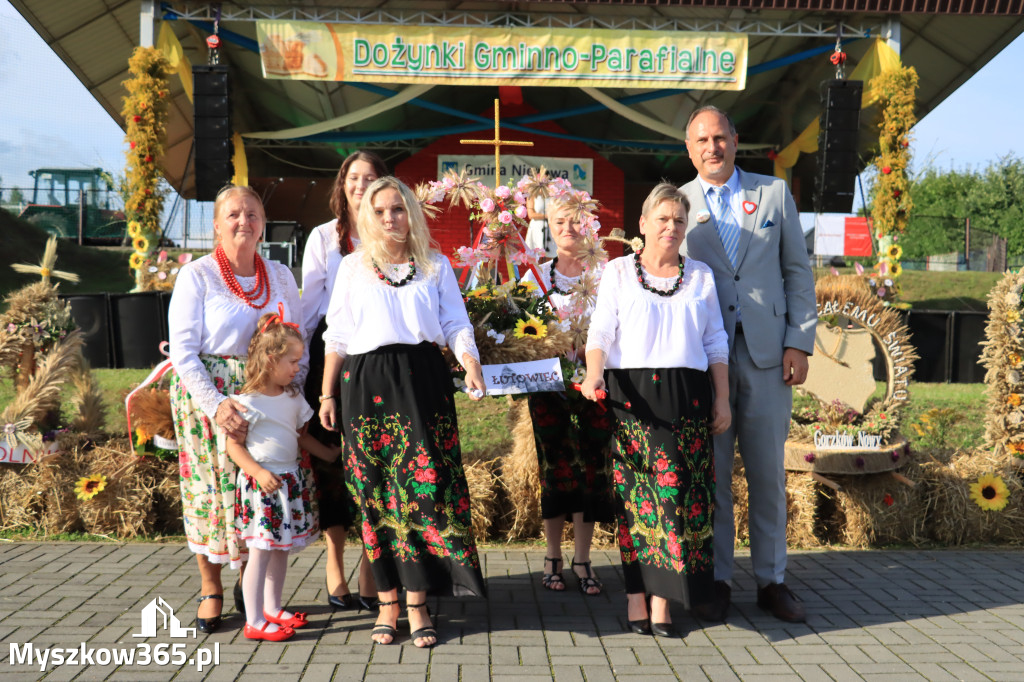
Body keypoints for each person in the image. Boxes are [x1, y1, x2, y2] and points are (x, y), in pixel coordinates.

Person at [319, 176, 488, 648]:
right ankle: (387, 601)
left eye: (397, 208)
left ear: (411, 212)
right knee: (375, 496)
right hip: (365, 386)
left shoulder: (435, 265)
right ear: (366, 217)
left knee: (424, 492)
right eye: (380, 211)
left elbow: (455, 323)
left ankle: (418, 602)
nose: (390, 217)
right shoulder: (353, 268)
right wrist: (326, 395)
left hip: (423, 384)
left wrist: (470, 364)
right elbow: (337, 335)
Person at [679, 105, 817, 623]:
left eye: (720, 137)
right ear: (688, 150)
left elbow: (798, 274)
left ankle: (772, 581)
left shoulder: (774, 194)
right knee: (712, 477)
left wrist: (799, 343)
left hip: (766, 357)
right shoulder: (678, 204)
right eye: (701, 140)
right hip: (702, 361)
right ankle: (717, 582)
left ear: (736, 140)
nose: (712, 147)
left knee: (766, 476)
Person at [581, 183, 730, 637]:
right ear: (643, 225)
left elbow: (715, 342)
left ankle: (664, 602)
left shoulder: (701, 276)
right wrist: (594, 375)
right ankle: (635, 597)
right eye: (662, 219)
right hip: (633, 398)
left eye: (679, 220)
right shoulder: (619, 272)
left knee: (678, 501)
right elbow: (600, 331)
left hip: (688, 398)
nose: (671, 227)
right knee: (636, 502)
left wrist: (722, 398)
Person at [168, 185, 304, 633]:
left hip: (264, 397)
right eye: (233, 214)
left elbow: (294, 338)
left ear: (264, 223)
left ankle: (258, 593)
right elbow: (184, 353)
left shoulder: (281, 275)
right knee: (213, 489)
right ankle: (211, 588)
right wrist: (216, 404)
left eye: (252, 213)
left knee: (257, 488)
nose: (243, 221)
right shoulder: (198, 275)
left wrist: (292, 397)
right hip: (212, 392)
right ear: (216, 224)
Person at [301, 150, 387, 611]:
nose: (360, 184)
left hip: (376, 361)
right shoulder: (323, 238)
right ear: (342, 183)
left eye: (369, 177)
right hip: (330, 358)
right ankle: (334, 563)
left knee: (373, 461)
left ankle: (372, 569)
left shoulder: (394, 234)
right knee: (332, 463)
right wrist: (304, 375)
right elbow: (309, 309)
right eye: (353, 177)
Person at [227, 308, 342, 641]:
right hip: (262, 487)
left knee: (279, 551)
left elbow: (301, 436)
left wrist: (330, 454)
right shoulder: (246, 402)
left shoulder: (292, 398)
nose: (298, 368)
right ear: (269, 359)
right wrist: (258, 471)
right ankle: (253, 621)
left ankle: (272, 609)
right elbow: (234, 448)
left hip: (288, 484)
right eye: (292, 362)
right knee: (260, 553)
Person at [522, 195, 614, 596]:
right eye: (560, 222)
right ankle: (552, 555)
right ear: (549, 226)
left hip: (593, 387)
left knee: (591, 469)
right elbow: (519, 334)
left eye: (576, 222)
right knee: (555, 469)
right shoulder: (536, 276)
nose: (568, 229)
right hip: (549, 389)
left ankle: (583, 558)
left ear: (589, 225)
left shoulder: (608, 274)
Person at [525, 187, 555, 258]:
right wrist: (548, 216)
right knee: (538, 256)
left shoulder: (552, 194)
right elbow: (531, 214)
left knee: (550, 256)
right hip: (537, 227)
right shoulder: (531, 195)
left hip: (550, 226)